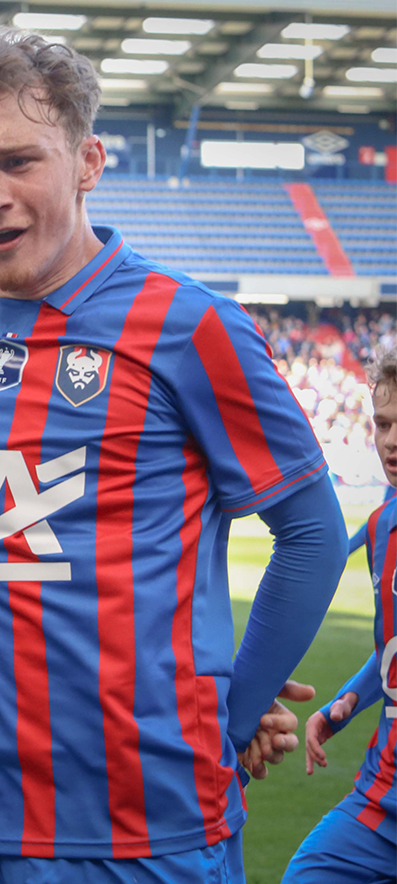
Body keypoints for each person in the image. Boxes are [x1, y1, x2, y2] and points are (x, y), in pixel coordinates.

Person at [0, 26, 348, 882]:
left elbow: (314, 535)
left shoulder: (191, 325)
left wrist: (233, 707)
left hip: (142, 828)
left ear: (88, 161)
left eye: (19, 160)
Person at [285, 349, 397, 884]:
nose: (391, 440)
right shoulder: (381, 528)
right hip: (382, 801)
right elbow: (391, 651)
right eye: (383, 424)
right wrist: (346, 703)